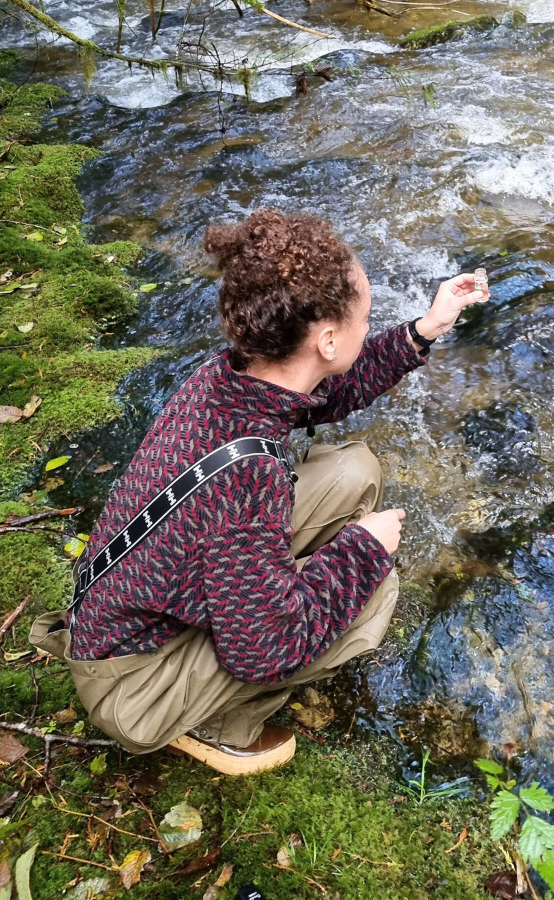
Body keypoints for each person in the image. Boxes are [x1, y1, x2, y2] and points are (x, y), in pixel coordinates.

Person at [29, 209, 488, 775]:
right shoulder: (251, 479)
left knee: (354, 470)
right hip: (132, 683)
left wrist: (425, 328)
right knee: (374, 596)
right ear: (324, 339)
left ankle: (225, 665)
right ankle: (215, 725)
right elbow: (265, 648)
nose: (369, 327)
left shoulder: (228, 377)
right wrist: (362, 551)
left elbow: (329, 392)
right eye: (366, 318)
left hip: (115, 614)